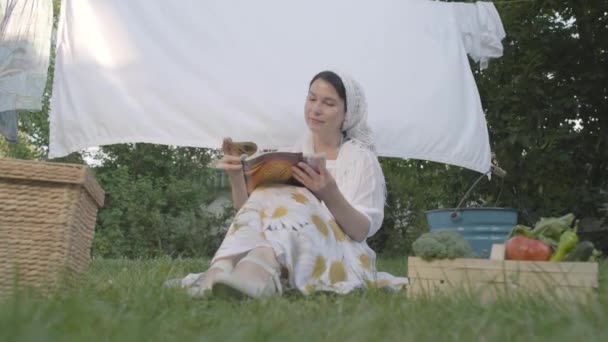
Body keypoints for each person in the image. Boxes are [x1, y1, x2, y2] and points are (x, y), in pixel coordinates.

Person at [180, 70, 407, 298]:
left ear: (347, 114)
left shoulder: (361, 159)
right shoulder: (291, 154)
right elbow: (249, 214)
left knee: (294, 199)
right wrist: (237, 177)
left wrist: (329, 194)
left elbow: (360, 232)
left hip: (339, 250)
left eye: (328, 103)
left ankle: (252, 273)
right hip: (286, 240)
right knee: (272, 195)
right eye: (311, 98)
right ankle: (228, 269)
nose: (316, 109)